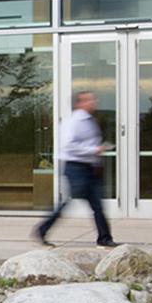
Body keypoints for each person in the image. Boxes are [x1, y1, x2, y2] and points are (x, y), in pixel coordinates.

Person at [34, 90, 117, 248]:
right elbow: (68, 146)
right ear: (79, 103)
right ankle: (42, 229)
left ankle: (105, 238)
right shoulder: (73, 122)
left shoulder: (90, 121)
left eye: (93, 99)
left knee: (97, 204)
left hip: (89, 168)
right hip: (76, 168)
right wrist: (94, 150)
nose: (93, 102)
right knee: (69, 202)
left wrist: (97, 161)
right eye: (89, 100)